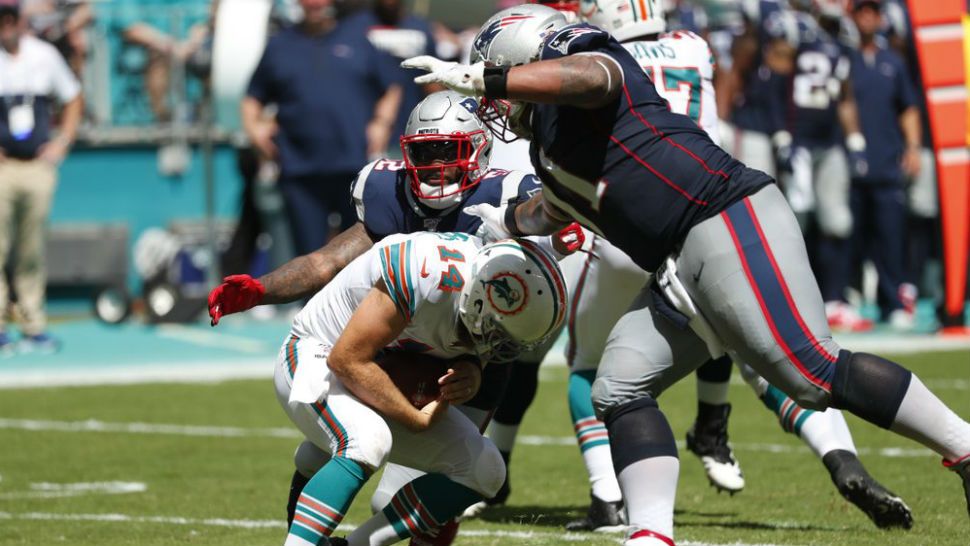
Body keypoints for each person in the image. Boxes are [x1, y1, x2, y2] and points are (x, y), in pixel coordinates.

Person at [405, 4, 970, 544]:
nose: (494, 107)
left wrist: (489, 80)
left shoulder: (591, 63)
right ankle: (651, 533)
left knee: (810, 372)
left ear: (523, 59)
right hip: (677, 262)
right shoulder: (548, 153)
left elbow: (589, 77)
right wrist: (493, 223)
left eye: (500, 77)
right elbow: (547, 211)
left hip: (724, 214)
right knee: (620, 384)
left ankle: (964, 448)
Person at [210, 90, 581, 546]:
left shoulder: (498, 203)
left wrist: (560, 212)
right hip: (384, 345)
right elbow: (327, 266)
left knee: (467, 471)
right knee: (363, 446)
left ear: (480, 151)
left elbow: (530, 215)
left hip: (472, 342)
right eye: (424, 152)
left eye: (448, 151)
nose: (436, 164)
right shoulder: (401, 223)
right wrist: (262, 289)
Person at [274, 231, 567, 546]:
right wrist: (413, 419)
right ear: (480, 298)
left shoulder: (483, 288)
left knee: (485, 468)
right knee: (367, 440)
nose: (499, 346)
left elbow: (464, 345)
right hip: (315, 353)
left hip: (375, 369)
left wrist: (471, 371)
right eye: (500, 334)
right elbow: (347, 360)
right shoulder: (424, 274)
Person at [242, 0, 403, 258]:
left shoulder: (357, 39)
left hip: (354, 168)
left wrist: (381, 124)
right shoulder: (279, 46)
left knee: (360, 254)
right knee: (309, 257)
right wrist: (255, 129)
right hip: (301, 171)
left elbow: (392, 87)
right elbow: (252, 97)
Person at [0, 0, 81, 354]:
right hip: (3, 167)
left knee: (30, 247)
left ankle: (33, 322)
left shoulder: (43, 55)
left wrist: (62, 141)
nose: (6, 25)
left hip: (35, 164)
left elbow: (73, 96)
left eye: (10, 18)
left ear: (20, 20)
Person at [844, 0, 921, 330]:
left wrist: (914, 147)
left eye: (872, 12)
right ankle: (848, 301)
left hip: (887, 161)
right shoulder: (844, 59)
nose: (866, 17)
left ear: (879, 18)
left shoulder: (893, 62)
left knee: (890, 236)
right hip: (851, 164)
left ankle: (893, 301)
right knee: (848, 236)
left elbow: (908, 108)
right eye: (861, 11)